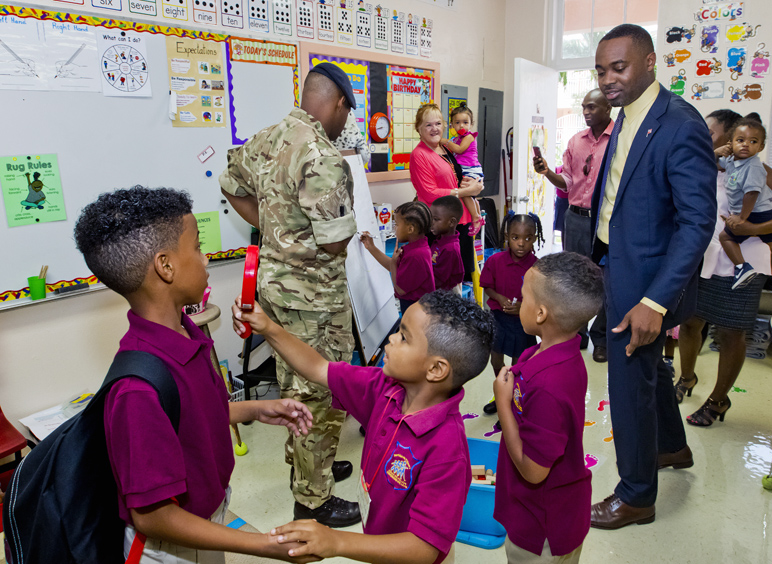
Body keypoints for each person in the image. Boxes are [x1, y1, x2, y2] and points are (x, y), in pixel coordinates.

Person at [72, 186, 315, 563]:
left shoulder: (188, 331)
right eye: (198, 247)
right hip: (169, 548)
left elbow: (191, 415)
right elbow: (154, 516)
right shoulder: (136, 391)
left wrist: (255, 410)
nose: (206, 260)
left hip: (207, 519)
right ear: (165, 266)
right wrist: (266, 546)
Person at [232, 290, 495, 564]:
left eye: (403, 337)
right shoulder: (385, 388)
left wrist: (337, 542)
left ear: (436, 370)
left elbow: (424, 548)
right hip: (379, 543)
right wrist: (269, 328)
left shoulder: (447, 451)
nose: (391, 339)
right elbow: (319, 368)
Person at [219, 62, 361, 527]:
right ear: (338, 103)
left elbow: (229, 183)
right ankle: (313, 501)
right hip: (314, 299)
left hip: (274, 290)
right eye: (347, 113)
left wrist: (272, 228)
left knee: (291, 381)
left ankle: (310, 466)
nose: (345, 125)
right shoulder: (323, 155)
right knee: (319, 391)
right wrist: (293, 232)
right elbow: (336, 240)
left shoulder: (265, 138)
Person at [589, 24, 717, 529]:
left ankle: (636, 494)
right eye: (601, 70)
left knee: (627, 386)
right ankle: (671, 447)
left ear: (649, 63)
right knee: (650, 372)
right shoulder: (627, 116)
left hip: (646, 283)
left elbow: (696, 223)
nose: (608, 79)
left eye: (618, 68)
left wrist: (657, 301)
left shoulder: (679, 124)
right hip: (617, 263)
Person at [494, 252, 604, 563]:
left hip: (542, 527)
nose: (519, 299)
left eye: (524, 295)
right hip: (549, 508)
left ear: (541, 313)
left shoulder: (549, 386)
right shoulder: (548, 353)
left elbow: (533, 470)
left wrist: (503, 403)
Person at [676, 109, 772, 426]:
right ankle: (687, 378)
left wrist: (752, 229)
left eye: (709, 133)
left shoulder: (762, 173)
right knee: (690, 322)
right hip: (704, 257)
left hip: (743, 260)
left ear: (731, 136)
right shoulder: (706, 168)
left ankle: (719, 400)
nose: (703, 137)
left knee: (731, 332)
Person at [533, 88, 613, 362]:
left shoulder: (619, 140)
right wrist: (546, 173)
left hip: (606, 221)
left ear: (608, 108)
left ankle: (601, 338)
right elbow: (566, 182)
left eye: (592, 107)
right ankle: (579, 333)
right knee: (576, 279)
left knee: (605, 279)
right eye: (584, 107)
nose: (587, 112)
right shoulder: (575, 141)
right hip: (576, 219)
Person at [409, 102, 483, 282]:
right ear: (418, 128)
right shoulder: (419, 155)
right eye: (428, 125)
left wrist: (475, 186)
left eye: (438, 124)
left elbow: (460, 174)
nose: (434, 129)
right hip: (439, 227)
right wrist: (465, 192)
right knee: (443, 282)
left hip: (459, 222)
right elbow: (429, 193)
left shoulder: (445, 148)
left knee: (461, 280)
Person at [481, 213, 543, 416]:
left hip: (523, 324)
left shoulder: (538, 267)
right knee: (496, 361)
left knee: (518, 367)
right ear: (507, 236)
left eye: (527, 238)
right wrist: (498, 297)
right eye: (515, 237)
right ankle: (501, 394)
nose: (521, 244)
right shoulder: (496, 261)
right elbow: (487, 286)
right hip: (498, 320)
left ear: (535, 238)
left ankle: (512, 404)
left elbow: (541, 299)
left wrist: (523, 307)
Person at [715, 117, 772, 289]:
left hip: (756, 212)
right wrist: (717, 152)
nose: (745, 145)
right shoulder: (732, 161)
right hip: (758, 211)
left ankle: (742, 267)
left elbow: (751, 194)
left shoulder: (753, 167)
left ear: (761, 147)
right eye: (740, 140)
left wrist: (742, 218)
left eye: (752, 141)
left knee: (726, 237)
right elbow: (714, 163)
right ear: (731, 143)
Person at [361, 201, 435, 315]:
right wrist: (371, 247)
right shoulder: (415, 247)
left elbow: (401, 289)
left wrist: (394, 263)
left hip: (417, 310)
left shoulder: (416, 255)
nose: (395, 228)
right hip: (415, 306)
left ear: (410, 229)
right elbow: (394, 267)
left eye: (397, 225)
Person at [440, 103, 485, 236]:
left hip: (471, 169)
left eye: (465, 122)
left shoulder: (469, 137)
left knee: (465, 193)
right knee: (471, 196)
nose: (461, 126)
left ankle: (475, 217)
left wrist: (445, 142)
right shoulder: (455, 139)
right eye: (457, 122)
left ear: (471, 124)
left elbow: (459, 150)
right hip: (464, 169)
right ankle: (478, 216)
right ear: (452, 125)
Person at [429, 195, 465, 294]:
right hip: (438, 291)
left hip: (447, 296)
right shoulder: (439, 240)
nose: (431, 223)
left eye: (436, 219)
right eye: (431, 218)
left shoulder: (450, 249)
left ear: (451, 222)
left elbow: (439, 280)